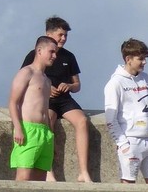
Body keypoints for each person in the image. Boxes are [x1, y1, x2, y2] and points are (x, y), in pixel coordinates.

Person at [21, 17, 93, 183]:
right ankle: (49, 172)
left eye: (65, 35)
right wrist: (48, 89)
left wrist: (68, 86)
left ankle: (83, 172)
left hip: (64, 99)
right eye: (60, 34)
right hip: (46, 100)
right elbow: (26, 79)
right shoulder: (34, 55)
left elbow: (77, 85)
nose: (63, 38)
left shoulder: (69, 56)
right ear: (49, 34)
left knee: (82, 120)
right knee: (49, 120)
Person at [104, 38, 148, 185]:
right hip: (131, 141)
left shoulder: (147, 78)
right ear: (128, 59)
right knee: (128, 186)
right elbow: (110, 119)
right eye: (141, 59)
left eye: (145, 58)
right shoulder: (115, 83)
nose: (145, 62)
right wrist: (123, 144)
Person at [9, 35, 59, 181]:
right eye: (51, 52)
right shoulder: (26, 72)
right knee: (24, 177)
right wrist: (18, 128)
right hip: (28, 129)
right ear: (39, 51)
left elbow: (44, 107)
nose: (54, 56)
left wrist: (50, 134)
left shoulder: (46, 79)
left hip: (44, 132)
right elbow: (13, 102)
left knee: (40, 181)